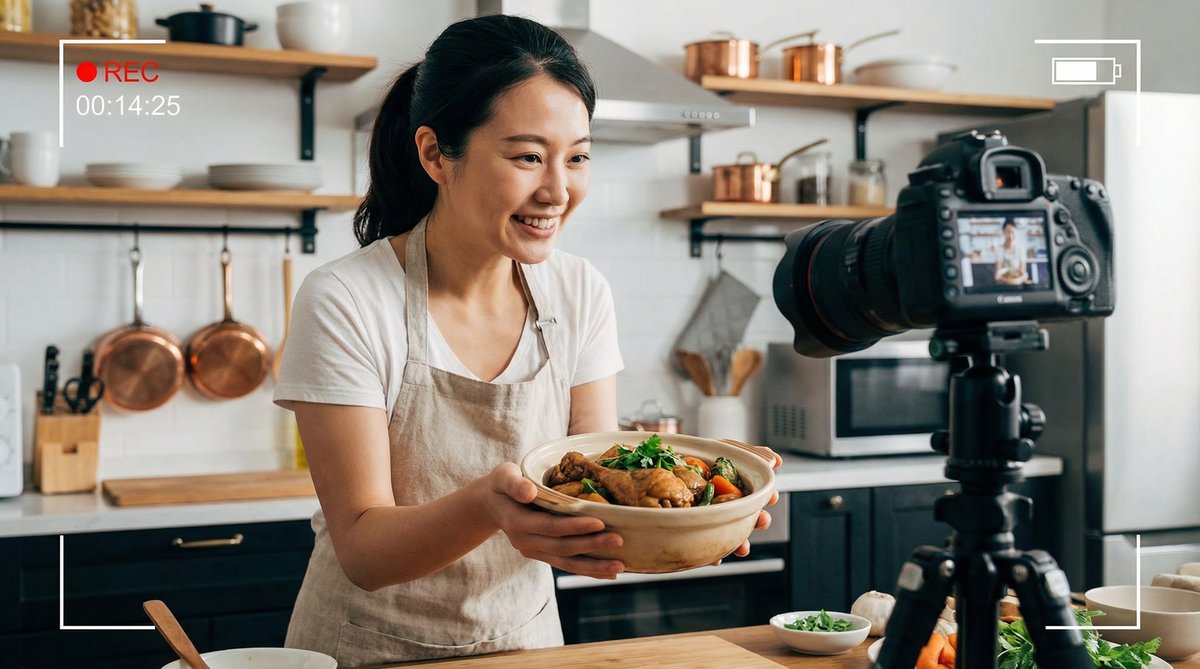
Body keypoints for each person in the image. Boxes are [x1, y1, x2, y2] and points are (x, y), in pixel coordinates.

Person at [273, 14, 779, 667]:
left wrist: (703, 494)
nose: (559, 190)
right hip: (368, 646)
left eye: (578, 156)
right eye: (527, 156)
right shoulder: (346, 298)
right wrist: (491, 503)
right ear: (435, 154)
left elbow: (593, 474)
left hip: (526, 645)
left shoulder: (578, 291)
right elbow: (364, 551)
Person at [994, 220, 1028, 285]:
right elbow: (998, 272)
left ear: (1016, 232)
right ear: (1003, 233)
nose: (1010, 236)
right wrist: (1007, 279)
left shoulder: (1021, 249)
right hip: (1003, 284)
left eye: (1013, 232)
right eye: (1008, 232)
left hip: (1018, 283)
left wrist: (1016, 279)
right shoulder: (999, 249)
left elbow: (1023, 271)